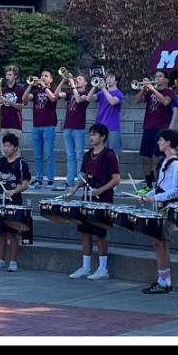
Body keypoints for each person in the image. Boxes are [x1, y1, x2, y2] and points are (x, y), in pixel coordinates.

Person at [67, 123, 121, 281]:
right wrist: (75, 188)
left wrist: (101, 190)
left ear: (102, 136)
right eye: (90, 134)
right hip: (87, 198)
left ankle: (103, 268)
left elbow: (116, 178)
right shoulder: (87, 154)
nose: (91, 137)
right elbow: (84, 175)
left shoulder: (109, 154)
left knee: (100, 234)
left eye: (95, 134)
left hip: (102, 199)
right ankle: (85, 266)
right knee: (85, 232)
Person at [137, 128, 178, 294]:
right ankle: (164, 280)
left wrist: (155, 198)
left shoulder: (176, 164)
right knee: (159, 243)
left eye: (161, 140)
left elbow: (176, 191)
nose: (158, 142)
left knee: (160, 242)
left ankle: (164, 281)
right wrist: (147, 195)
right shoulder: (165, 161)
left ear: (169, 142)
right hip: (160, 205)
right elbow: (160, 187)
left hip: (169, 207)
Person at [0, 132, 31, 272]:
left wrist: (14, 191)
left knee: (13, 233)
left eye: (9, 146)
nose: (6, 149)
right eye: (4, 146)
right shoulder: (0, 162)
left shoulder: (21, 163)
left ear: (15, 147)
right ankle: (0, 261)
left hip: (13, 202)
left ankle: (13, 262)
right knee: (1, 233)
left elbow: (25, 184)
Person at [134, 71, 178, 189]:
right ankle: (148, 183)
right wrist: (143, 89)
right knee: (145, 157)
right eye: (156, 76)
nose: (157, 78)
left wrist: (153, 89)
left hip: (160, 128)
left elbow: (165, 102)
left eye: (160, 76)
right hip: (148, 127)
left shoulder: (169, 92)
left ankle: (161, 182)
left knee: (160, 157)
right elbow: (137, 101)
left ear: (166, 80)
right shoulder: (148, 92)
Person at [24, 70, 59, 190]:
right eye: (42, 76)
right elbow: (24, 99)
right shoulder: (35, 91)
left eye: (46, 76)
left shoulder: (53, 90)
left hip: (49, 126)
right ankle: (38, 179)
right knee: (38, 155)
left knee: (49, 154)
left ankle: (50, 180)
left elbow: (53, 99)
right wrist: (30, 84)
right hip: (36, 126)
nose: (43, 77)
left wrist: (44, 87)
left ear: (51, 79)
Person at [61, 72, 92, 189]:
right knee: (70, 156)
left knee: (79, 155)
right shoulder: (70, 93)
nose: (77, 80)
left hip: (78, 128)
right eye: (76, 78)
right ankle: (69, 181)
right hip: (67, 127)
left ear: (85, 82)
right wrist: (63, 81)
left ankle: (80, 181)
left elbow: (79, 100)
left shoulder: (86, 94)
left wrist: (73, 85)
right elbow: (56, 94)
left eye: (80, 78)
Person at [92, 71, 124, 159]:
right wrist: (94, 86)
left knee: (113, 155)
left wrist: (103, 89)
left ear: (116, 81)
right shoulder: (101, 93)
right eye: (107, 77)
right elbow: (89, 98)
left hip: (112, 128)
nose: (108, 79)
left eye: (111, 77)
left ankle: (115, 173)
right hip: (100, 127)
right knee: (100, 154)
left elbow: (113, 102)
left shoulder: (119, 93)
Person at [0, 66, 25, 149]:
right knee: (3, 152)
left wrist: (7, 100)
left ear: (15, 76)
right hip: (2, 125)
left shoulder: (20, 89)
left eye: (10, 75)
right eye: (7, 75)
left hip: (15, 125)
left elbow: (20, 107)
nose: (7, 77)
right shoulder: (2, 89)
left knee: (15, 152)